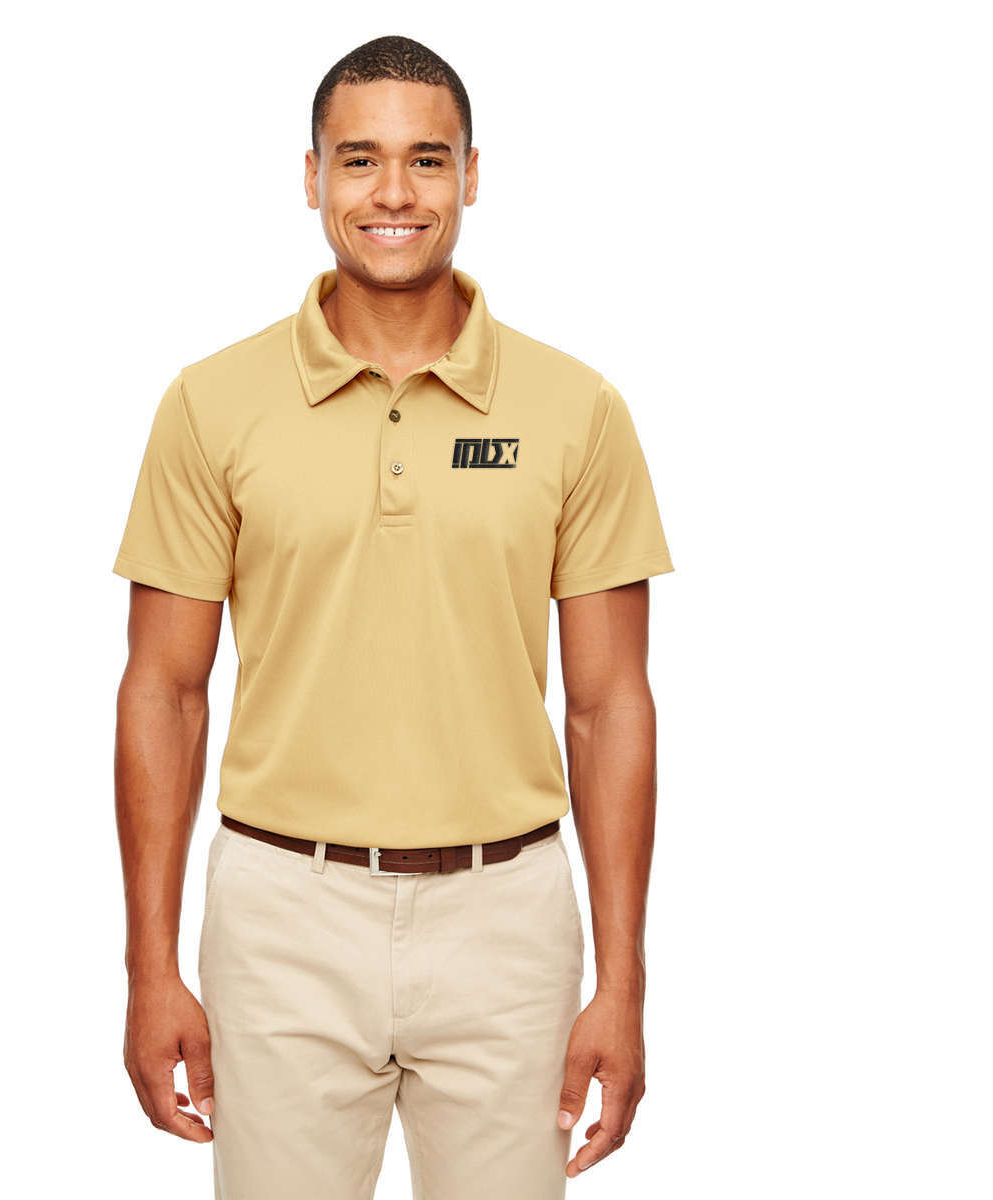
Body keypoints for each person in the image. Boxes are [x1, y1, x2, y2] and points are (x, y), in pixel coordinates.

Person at [111, 33, 674, 1200]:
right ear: (311, 176)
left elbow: (610, 703)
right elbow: (163, 691)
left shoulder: (576, 410)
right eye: (360, 159)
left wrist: (622, 981)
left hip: (508, 921)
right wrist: (149, 968)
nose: (394, 194)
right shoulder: (212, 404)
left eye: (427, 159)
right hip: (281, 916)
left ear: (472, 175)